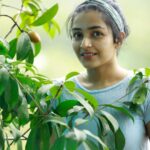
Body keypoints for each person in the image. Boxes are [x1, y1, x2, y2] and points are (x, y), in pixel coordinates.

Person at [52, 0, 150, 149]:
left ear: (119, 39)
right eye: (77, 35)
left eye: (96, 34)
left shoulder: (142, 89)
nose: (85, 44)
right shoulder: (58, 92)